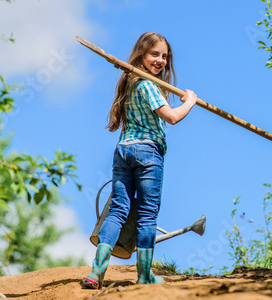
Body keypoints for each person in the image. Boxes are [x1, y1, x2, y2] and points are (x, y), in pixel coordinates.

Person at [82, 32, 197, 289]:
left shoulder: (130, 83)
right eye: (154, 54)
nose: (160, 60)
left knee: (118, 209)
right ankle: (144, 274)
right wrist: (189, 102)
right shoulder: (147, 85)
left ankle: (96, 272)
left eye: (164, 56)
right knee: (147, 215)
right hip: (148, 152)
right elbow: (172, 117)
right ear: (141, 55)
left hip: (123, 151)